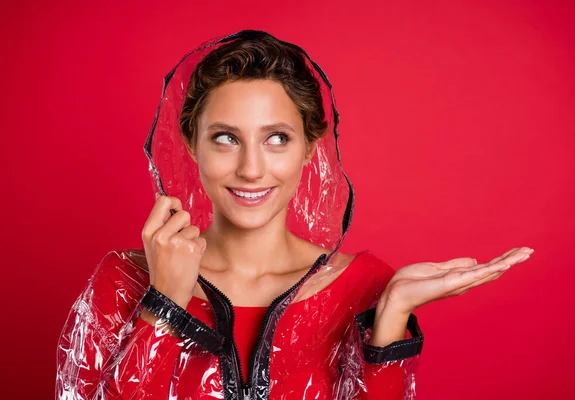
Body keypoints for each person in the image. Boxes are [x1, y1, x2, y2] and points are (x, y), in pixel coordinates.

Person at [55, 30, 533, 400]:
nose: (250, 168)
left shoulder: (363, 286)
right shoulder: (124, 280)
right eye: (225, 137)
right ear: (190, 145)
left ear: (309, 149)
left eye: (277, 138)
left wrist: (390, 318)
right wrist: (163, 305)